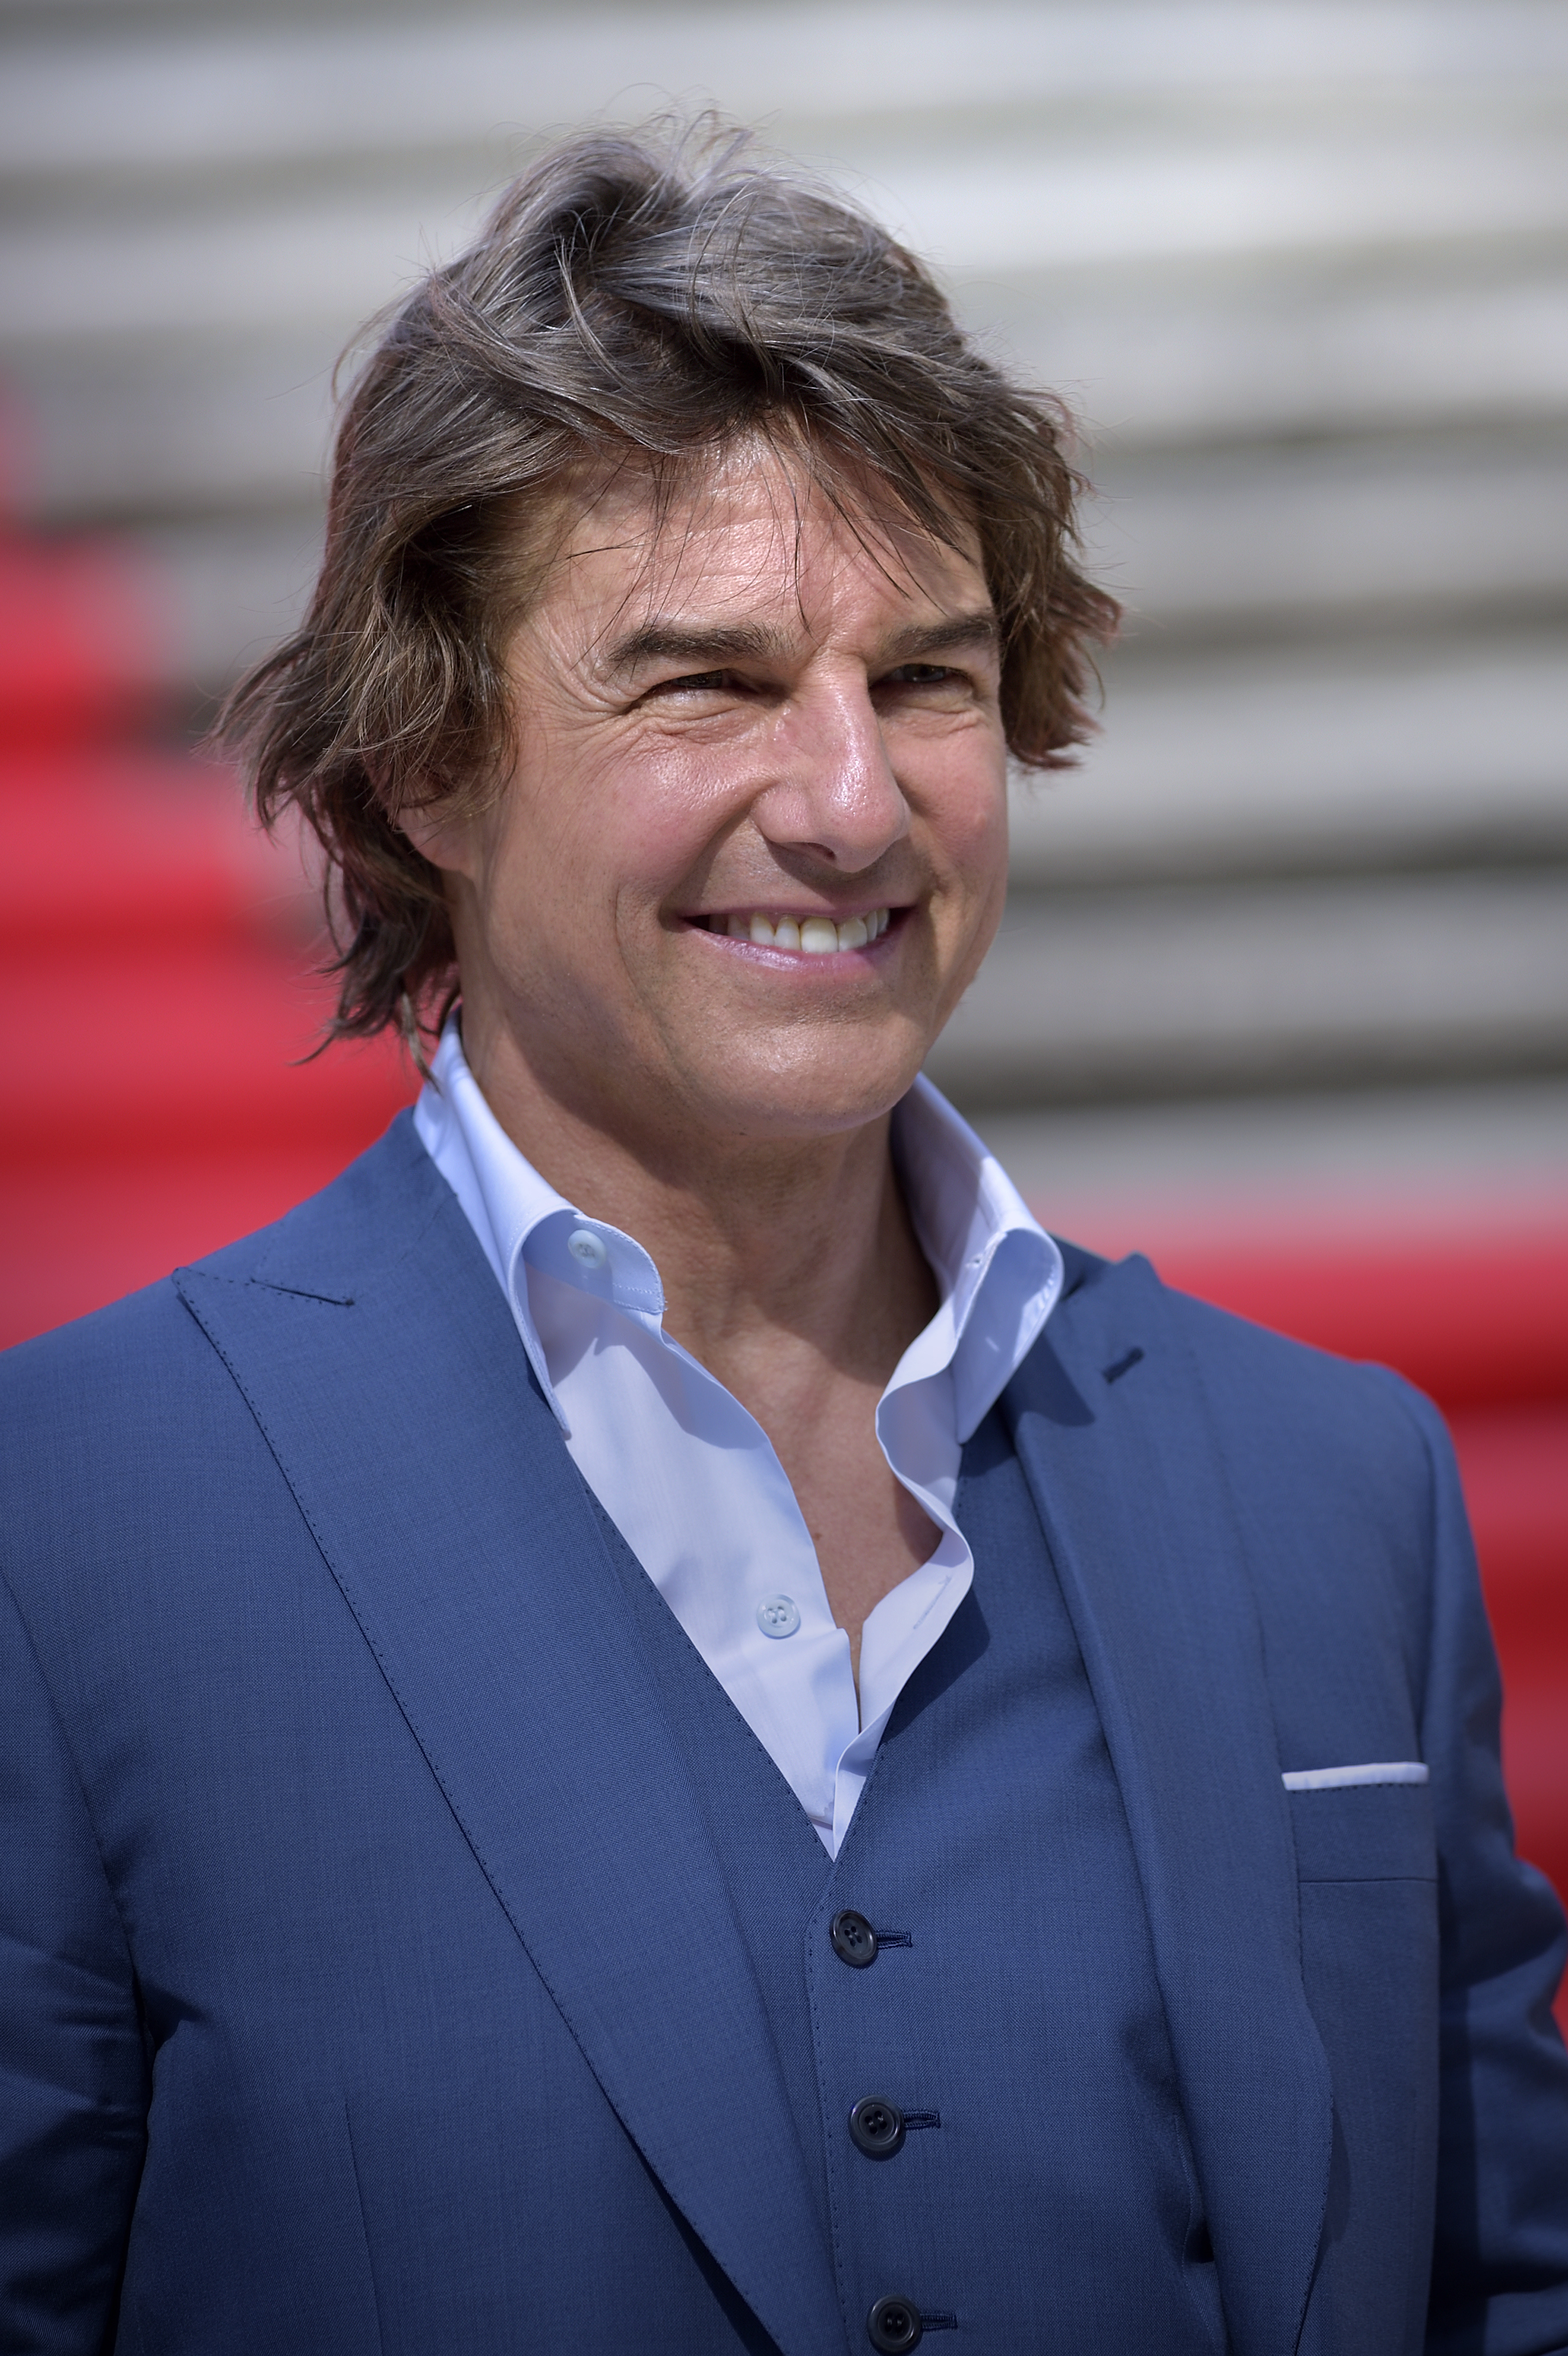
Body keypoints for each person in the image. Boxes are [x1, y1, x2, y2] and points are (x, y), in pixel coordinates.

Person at [3, 122, 1566, 2356]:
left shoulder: (1334, 1490)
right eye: (706, 681)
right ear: (426, 767)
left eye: (924, 678)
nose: (847, 801)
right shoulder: (69, 1526)